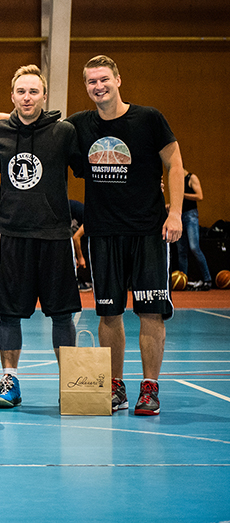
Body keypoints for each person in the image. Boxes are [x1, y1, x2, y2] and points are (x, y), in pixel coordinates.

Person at [66, 55, 183, 415]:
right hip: (103, 233)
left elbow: (175, 164)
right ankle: (114, 387)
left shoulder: (148, 119)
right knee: (109, 314)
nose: (98, 87)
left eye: (103, 79)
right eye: (91, 82)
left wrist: (175, 212)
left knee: (150, 312)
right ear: (85, 86)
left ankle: (150, 388)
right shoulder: (79, 125)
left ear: (118, 79)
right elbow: (34, 123)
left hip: (148, 231)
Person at [0, 65, 81, 408]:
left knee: (62, 315)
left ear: (44, 96)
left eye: (34, 92)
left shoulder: (64, 132)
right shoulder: (1, 131)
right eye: (21, 92)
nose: (27, 97)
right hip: (13, 234)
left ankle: (73, 385)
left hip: (55, 236)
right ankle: (10, 381)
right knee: (9, 313)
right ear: (12, 96)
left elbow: (90, 165)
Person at [177, 169, 213, 290]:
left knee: (194, 247)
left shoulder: (192, 178)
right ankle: (183, 281)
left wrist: (183, 194)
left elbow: (200, 196)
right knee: (181, 251)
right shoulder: (177, 180)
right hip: (179, 215)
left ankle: (207, 279)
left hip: (190, 216)